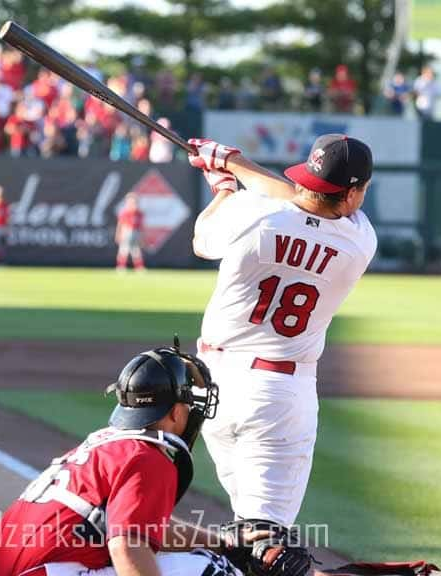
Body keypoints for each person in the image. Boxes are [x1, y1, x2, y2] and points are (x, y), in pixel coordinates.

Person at [186, 134, 377, 544]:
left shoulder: (252, 213)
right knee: (266, 542)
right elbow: (297, 199)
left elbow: (203, 240)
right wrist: (234, 164)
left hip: (213, 388)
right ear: (351, 193)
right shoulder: (359, 240)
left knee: (246, 529)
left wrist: (224, 184)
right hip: (278, 395)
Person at [0, 341, 234, 576]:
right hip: (38, 573)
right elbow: (127, 548)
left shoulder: (106, 447)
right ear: (176, 412)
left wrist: (222, 541)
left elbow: (141, 524)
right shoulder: (148, 457)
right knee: (213, 568)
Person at [115, 192, 146, 271]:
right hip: (126, 231)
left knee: (136, 251)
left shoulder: (139, 213)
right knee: (123, 250)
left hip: (136, 232)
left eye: (134, 201)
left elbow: (141, 226)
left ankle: (139, 268)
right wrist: (118, 234)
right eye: (130, 201)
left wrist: (142, 237)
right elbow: (120, 224)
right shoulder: (125, 212)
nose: (132, 203)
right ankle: (120, 267)